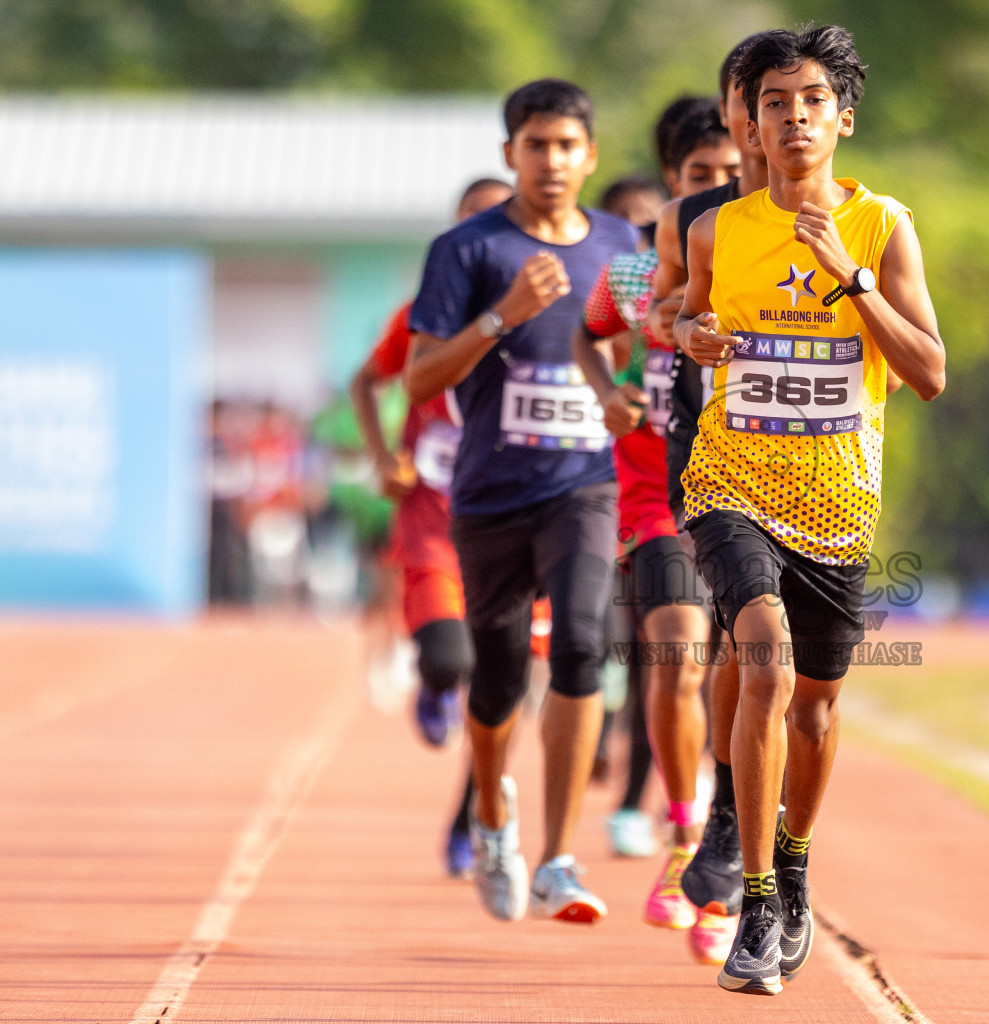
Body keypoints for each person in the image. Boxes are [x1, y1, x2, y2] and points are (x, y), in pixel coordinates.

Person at [673, 26, 945, 994]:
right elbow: (675, 312)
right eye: (776, 102)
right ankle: (752, 899)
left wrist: (853, 280)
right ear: (750, 118)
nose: (794, 117)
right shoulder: (715, 226)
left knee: (819, 711)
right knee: (762, 660)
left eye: (813, 101)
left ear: (844, 118)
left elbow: (928, 372)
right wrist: (690, 333)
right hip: (729, 480)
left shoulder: (883, 226)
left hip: (836, 496)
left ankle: (792, 861)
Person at [405, 78, 639, 924]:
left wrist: (622, 397)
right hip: (491, 494)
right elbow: (421, 376)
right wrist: (502, 317)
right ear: (511, 154)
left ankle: (560, 858)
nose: (552, 161)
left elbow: (638, 350)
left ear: (592, 156)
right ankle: (492, 814)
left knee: (582, 647)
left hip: (584, 485)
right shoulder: (466, 251)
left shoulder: (622, 244)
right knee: (497, 681)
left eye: (568, 146)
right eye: (536, 145)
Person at [571, 96, 740, 960]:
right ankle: (683, 839)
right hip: (657, 495)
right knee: (674, 658)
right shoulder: (636, 275)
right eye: (698, 176)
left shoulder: (773, 263)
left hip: (755, 493)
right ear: (671, 184)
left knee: (743, 682)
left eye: (729, 174)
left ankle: (731, 847)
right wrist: (610, 395)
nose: (717, 187)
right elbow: (586, 335)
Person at [647, 31, 774, 958]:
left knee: (784, 669)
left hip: (816, 456)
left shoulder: (848, 215)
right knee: (716, 638)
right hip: (707, 453)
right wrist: (685, 327)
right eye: (754, 101)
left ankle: (730, 825)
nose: (767, 123)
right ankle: (704, 816)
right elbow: (646, 310)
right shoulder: (692, 219)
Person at [350, 176, 515, 876]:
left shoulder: (547, 309)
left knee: (502, 690)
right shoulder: (423, 316)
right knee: (453, 660)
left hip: (518, 523)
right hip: (436, 522)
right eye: (468, 227)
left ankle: (471, 817)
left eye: (497, 223)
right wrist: (385, 458)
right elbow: (367, 383)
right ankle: (436, 680)